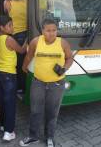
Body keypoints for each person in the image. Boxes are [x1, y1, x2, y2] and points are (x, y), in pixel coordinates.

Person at [19, 18, 73, 147]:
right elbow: (29, 56)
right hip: (38, 82)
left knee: (52, 112)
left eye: (54, 30)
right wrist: (24, 67)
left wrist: (64, 68)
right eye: (48, 30)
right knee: (35, 111)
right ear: (42, 30)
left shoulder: (63, 43)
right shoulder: (35, 42)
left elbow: (70, 58)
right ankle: (33, 136)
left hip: (57, 84)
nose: (51, 33)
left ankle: (49, 137)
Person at [0, 15, 27, 141]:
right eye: (9, 25)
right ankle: (9, 131)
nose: (12, 28)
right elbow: (22, 51)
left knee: (1, 100)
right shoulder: (9, 39)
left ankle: (2, 124)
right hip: (8, 74)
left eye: (12, 25)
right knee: (10, 103)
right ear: (2, 27)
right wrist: (28, 39)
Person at [4, 0, 27, 96]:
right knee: (26, 62)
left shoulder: (7, 2)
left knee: (17, 63)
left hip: (15, 35)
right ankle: (24, 86)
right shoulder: (28, 1)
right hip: (28, 34)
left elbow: (6, 15)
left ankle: (18, 87)